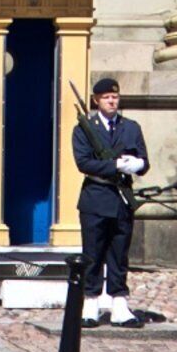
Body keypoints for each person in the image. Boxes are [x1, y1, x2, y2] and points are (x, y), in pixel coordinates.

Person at [70, 76, 147, 325]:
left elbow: (143, 161)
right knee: (92, 254)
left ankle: (119, 304)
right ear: (96, 100)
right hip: (95, 198)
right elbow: (83, 163)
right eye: (106, 97)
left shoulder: (131, 127)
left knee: (119, 254)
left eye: (114, 97)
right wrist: (113, 165)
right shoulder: (84, 128)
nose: (111, 101)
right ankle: (90, 302)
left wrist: (136, 164)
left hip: (122, 199)